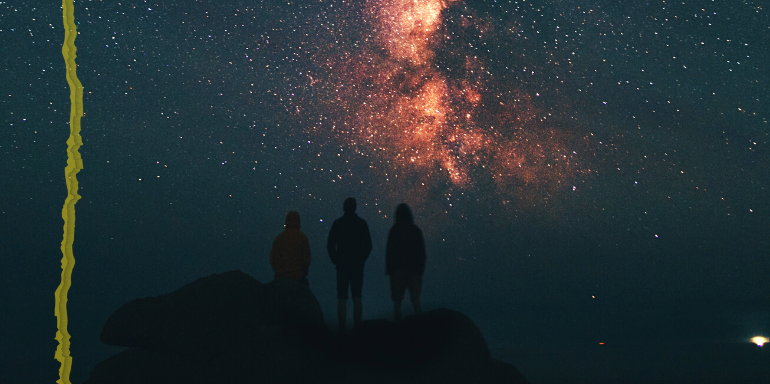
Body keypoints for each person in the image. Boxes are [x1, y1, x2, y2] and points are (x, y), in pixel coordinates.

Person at [327, 197, 372, 336]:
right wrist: (361, 259)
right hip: (357, 265)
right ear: (355, 207)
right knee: (357, 296)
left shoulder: (338, 223)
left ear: (344, 208)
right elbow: (368, 245)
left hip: (342, 264)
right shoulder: (361, 223)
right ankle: (358, 328)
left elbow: (330, 244)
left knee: (342, 297)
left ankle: (341, 330)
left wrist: (336, 259)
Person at [385, 203, 425, 321]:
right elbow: (421, 252)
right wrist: (420, 271)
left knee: (397, 303)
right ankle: (422, 329)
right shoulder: (416, 231)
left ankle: (398, 331)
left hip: (398, 272)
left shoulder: (394, 230)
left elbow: (390, 253)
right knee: (416, 301)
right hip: (414, 272)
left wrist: (390, 271)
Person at [270, 211, 311, 285]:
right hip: (297, 277)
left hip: (280, 277)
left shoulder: (279, 238)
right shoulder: (302, 238)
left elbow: (273, 258)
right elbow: (306, 259)